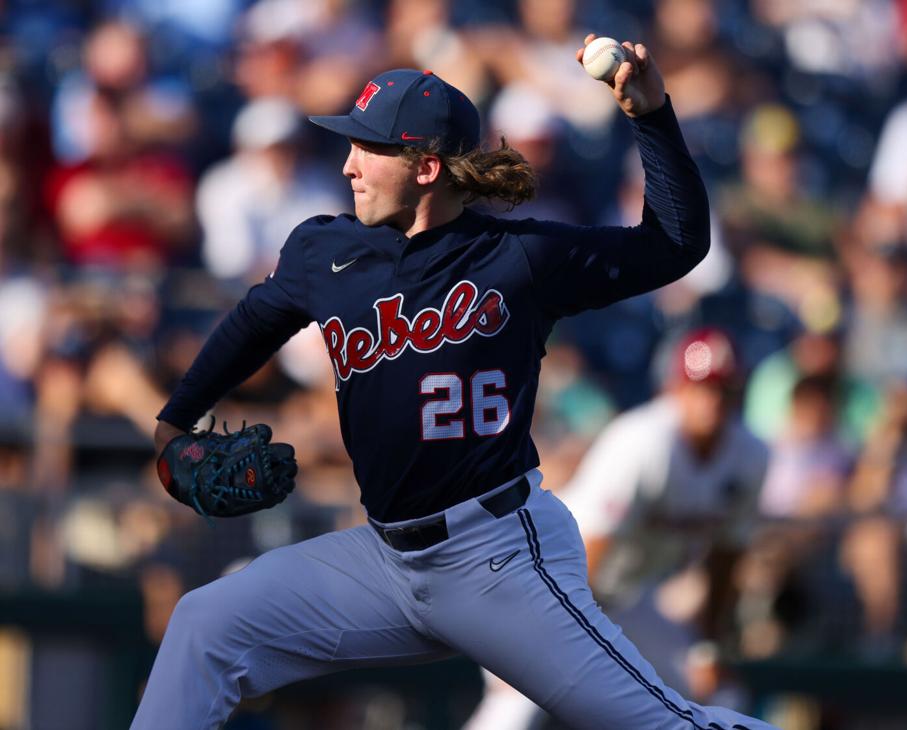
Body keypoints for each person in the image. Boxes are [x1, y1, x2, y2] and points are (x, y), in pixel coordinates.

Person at [131, 34, 775, 730]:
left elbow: (676, 243)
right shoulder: (326, 251)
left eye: (368, 148)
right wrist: (177, 418)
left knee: (664, 725)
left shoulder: (518, 260)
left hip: (498, 556)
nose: (347, 165)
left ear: (427, 166)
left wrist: (651, 115)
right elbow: (256, 321)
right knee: (205, 624)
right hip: (381, 559)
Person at [465, 327, 770, 729]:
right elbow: (586, 550)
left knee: (716, 692)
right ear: (675, 389)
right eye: (701, 388)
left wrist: (707, 648)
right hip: (543, 585)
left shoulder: (750, 455)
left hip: (620, 598)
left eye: (723, 389)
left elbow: (726, 558)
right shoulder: (644, 442)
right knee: (519, 703)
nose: (711, 401)